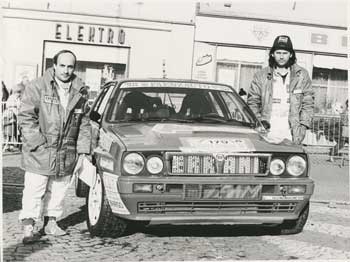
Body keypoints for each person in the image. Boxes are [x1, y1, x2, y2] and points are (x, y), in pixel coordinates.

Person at [18, 50, 91, 244]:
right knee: (35, 189)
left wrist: (83, 150)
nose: (66, 71)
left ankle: (51, 222)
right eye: (63, 65)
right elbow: (26, 116)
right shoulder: (38, 86)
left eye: (70, 66)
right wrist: (37, 142)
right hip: (40, 151)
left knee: (58, 190)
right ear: (54, 65)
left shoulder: (80, 91)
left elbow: (84, 122)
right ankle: (29, 227)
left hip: (66, 151)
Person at [247, 35, 314, 144]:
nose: (281, 57)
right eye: (278, 53)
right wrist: (259, 123)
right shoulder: (261, 76)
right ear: (272, 54)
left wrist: (303, 126)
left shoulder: (302, 75)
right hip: (267, 129)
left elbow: (308, 102)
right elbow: (252, 102)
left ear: (291, 54)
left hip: (291, 130)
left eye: (285, 53)